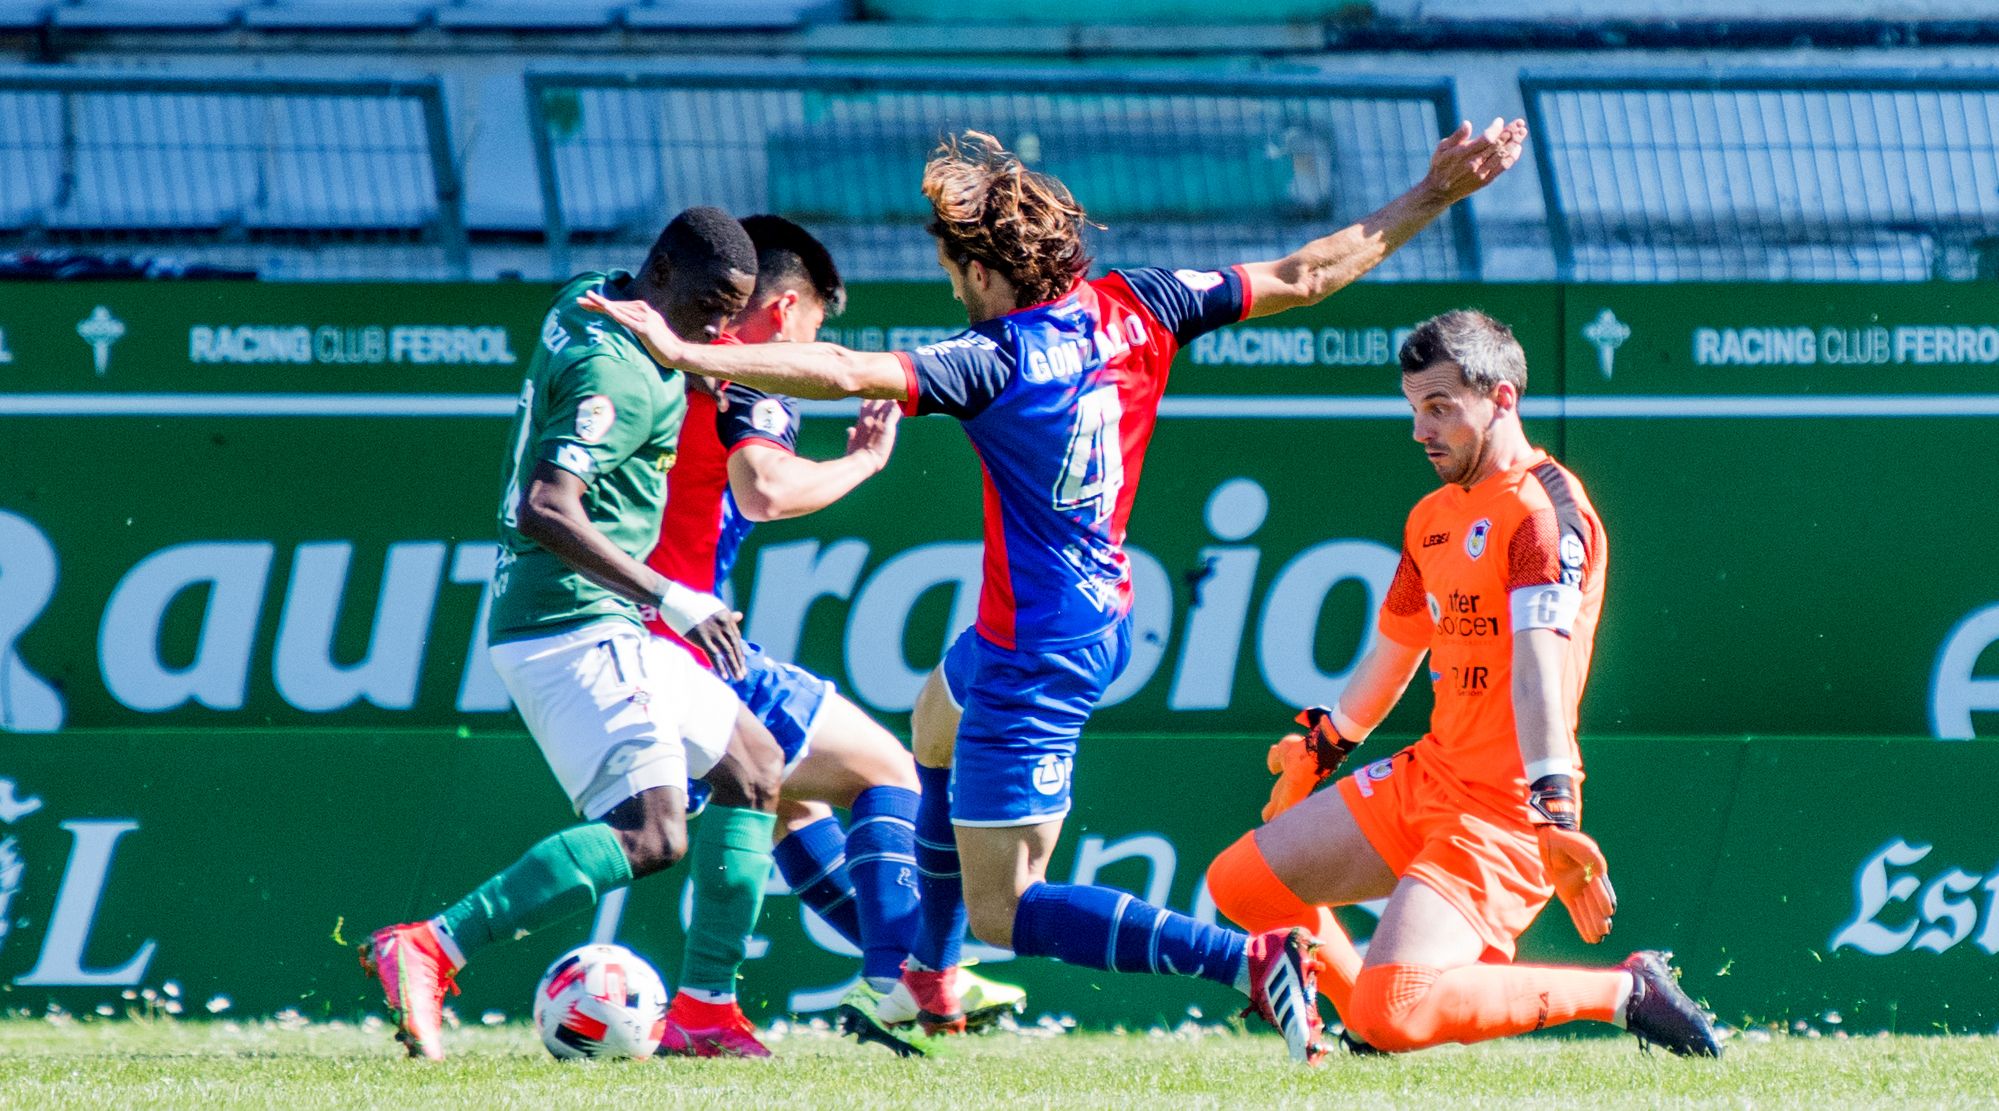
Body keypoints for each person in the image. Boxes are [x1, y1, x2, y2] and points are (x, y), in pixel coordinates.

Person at [581, 119, 1527, 1064]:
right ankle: (926, 980)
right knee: (932, 718)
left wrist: (692, 353)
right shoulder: (1143, 303)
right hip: (1061, 617)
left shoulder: (989, 358)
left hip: (1043, 647)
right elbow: (1306, 272)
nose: (953, 289)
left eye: (956, 270)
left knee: (1010, 908)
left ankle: (1250, 960)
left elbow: (836, 368)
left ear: (986, 273)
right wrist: (1433, 193)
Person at [1204, 310, 1721, 1059]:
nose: (1421, 429)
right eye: (1414, 408)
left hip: (1504, 811)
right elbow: (1395, 647)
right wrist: (1326, 744)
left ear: (1501, 399)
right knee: (1241, 883)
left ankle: (1625, 992)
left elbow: (1540, 666)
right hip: (1431, 774)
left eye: (1440, 407)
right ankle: (1373, 1026)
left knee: (1396, 1006)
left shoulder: (1543, 513)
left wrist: (1554, 808)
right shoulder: (1431, 517)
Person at [358, 207, 786, 1061]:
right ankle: (432, 945)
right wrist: (672, 595)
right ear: (661, 274)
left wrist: (688, 371)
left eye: (732, 311)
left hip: (599, 616)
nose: (720, 329)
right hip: (572, 624)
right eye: (710, 305)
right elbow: (545, 505)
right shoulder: (614, 368)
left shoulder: (592, 298)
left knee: (754, 766)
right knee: (653, 833)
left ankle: (703, 1009)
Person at [640, 215, 1019, 1057]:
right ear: (782, 309)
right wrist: (861, 465)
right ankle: (904, 975)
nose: (814, 348)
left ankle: (925, 967)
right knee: (888, 767)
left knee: (790, 801)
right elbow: (767, 489)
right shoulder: (752, 374)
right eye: (816, 326)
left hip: (628, 633)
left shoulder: (661, 352)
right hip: (680, 644)